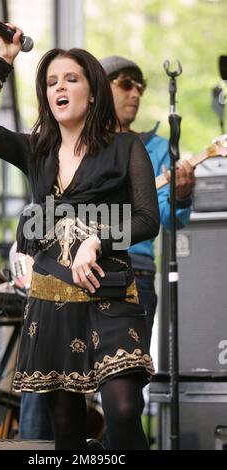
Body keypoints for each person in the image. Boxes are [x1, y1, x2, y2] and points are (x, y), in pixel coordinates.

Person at [0, 24, 160, 450]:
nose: (60, 87)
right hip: (51, 303)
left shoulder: (125, 148)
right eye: (52, 82)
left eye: (71, 78)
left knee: (124, 412)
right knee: (67, 433)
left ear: (93, 93)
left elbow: (147, 220)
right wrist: (3, 59)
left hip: (109, 296)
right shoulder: (35, 150)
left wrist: (97, 240)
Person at [100, 56, 196, 347]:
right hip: (77, 270)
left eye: (139, 87)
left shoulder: (156, 148)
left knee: (127, 378)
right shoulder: (75, 143)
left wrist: (181, 196)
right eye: (126, 84)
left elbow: (170, 219)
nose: (135, 94)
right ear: (99, 90)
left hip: (135, 272)